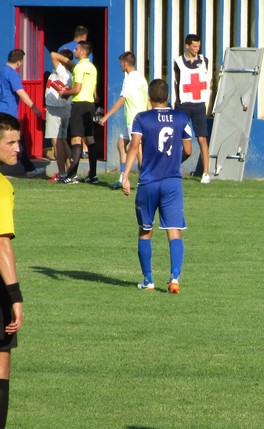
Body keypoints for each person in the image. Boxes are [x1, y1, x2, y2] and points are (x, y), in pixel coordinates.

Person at [121, 79, 192, 294]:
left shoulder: (141, 118)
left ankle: (148, 280)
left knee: (145, 230)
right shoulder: (181, 118)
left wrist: (125, 176)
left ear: (149, 98)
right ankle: (175, 277)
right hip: (172, 182)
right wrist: (173, 163)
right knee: (174, 230)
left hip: (149, 182)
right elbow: (188, 150)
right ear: (168, 97)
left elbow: (134, 147)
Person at [0, 114, 32, 429]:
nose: (18, 148)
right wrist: (15, 297)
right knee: (1, 363)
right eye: (10, 142)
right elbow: (2, 245)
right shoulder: (2, 186)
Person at [98, 52, 149, 190]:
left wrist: (106, 117)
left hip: (135, 119)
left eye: (121, 63)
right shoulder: (141, 78)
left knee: (138, 149)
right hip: (141, 117)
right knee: (121, 143)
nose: (120, 65)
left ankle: (145, 180)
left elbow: (122, 99)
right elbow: (148, 99)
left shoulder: (129, 79)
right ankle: (122, 178)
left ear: (125, 63)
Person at [55, 41, 98, 184]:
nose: (75, 51)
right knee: (90, 138)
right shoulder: (92, 67)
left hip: (79, 104)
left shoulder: (79, 67)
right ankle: (93, 175)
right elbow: (94, 91)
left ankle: (71, 175)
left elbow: (77, 89)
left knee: (75, 139)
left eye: (77, 49)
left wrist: (65, 93)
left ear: (83, 52)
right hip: (90, 104)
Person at [0, 49, 45, 177]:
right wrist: (34, 108)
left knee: (18, 140)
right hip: (9, 113)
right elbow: (21, 92)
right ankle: (29, 168)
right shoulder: (12, 74)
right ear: (19, 62)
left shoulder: (1, 71)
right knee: (18, 140)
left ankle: (29, 168)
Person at [173, 34, 211, 184]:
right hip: (183, 104)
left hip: (199, 104)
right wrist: (177, 102)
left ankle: (206, 173)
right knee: (178, 138)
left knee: (202, 138)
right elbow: (176, 83)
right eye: (194, 46)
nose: (197, 49)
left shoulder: (204, 60)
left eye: (198, 46)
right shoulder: (178, 62)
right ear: (187, 46)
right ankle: (172, 167)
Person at [45, 50, 73, 181]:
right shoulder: (59, 73)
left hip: (57, 109)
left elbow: (53, 54)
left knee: (56, 141)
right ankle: (70, 171)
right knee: (62, 140)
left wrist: (66, 62)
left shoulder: (63, 72)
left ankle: (62, 173)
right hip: (59, 108)